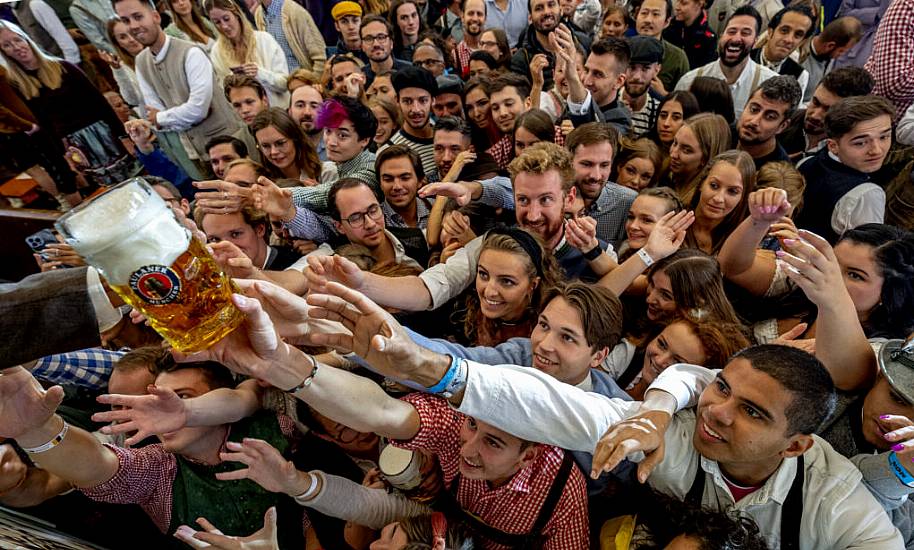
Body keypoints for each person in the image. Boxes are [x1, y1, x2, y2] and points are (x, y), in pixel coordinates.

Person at [0, 361, 309, 548]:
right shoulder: (158, 467)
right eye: (154, 400)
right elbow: (97, 465)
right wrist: (35, 430)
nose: (164, 410)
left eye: (183, 397)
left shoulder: (279, 424)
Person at [306, 142, 613, 312]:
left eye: (545, 200)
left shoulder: (590, 247)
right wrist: (363, 283)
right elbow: (429, 288)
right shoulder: (496, 243)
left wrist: (596, 254)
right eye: (522, 200)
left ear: (569, 197)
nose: (532, 215)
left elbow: (622, 288)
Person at [0, 21, 139, 202]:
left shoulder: (63, 67)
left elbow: (100, 105)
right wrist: (63, 155)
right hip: (73, 145)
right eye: (7, 46)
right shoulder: (19, 85)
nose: (16, 47)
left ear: (26, 39)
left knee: (132, 179)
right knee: (110, 193)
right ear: (4, 53)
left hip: (101, 133)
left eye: (17, 40)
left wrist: (123, 137)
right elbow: (45, 125)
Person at [113, 0, 242, 168]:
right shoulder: (141, 62)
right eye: (125, 20)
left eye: (138, 16)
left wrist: (162, 117)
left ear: (155, 16)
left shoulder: (191, 52)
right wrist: (172, 117)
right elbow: (153, 119)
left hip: (231, 148)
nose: (133, 25)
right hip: (196, 156)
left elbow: (198, 109)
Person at [794, 96, 892, 243]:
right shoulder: (866, 195)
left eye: (884, 137)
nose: (876, 150)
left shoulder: (806, 162)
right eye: (860, 143)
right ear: (833, 146)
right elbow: (863, 253)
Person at [451, 228, 563, 346]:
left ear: (533, 285)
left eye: (506, 281)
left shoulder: (551, 328)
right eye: (483, 274)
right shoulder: (461, 309)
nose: (489, 292)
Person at [675, 6, 778, 118]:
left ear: (755, 41)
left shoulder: (769, 84)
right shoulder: (689, 81)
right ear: (721, 36)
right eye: (731, 32)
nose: (736, 38)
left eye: (745, 33)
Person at [565, 122, 638, 250]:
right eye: (587, 164)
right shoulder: (551, 199)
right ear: (569, 161)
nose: (596, 176)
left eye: (604, 165)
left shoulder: (628, 202)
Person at [206, 0, 289, 108]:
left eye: (226, 19)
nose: (224, 26)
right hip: (249, 120)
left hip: (278, 111)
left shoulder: (264, 40)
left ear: (237, 14)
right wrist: (234, 80)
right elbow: (225, 95)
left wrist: (259, 73)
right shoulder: (217, 52)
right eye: (217, 22)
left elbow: (284, 84)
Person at [778, 66, 874, 160]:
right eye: (815, 102)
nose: (815, 115)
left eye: (829, 110)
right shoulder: (781, 122)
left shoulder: (854, 153)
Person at [683, 149, 755, 255]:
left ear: (743, 197)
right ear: (702, 182)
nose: (718, 198)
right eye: (714, 186)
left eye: (732, 191)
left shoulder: (741, 242)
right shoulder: (672, 220)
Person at [563, 34, 633, 134]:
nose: (587, 81)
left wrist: (573, 80)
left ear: (619, 81)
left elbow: (597, 140)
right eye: (586, 70)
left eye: (598, 74)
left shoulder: (622, 123)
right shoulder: (570, 107)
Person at [195, 206, 300, 270]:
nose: (227, 246)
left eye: (235, 234)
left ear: (260, 229)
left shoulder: (296, 263)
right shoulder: (221, 281)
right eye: (215, 239)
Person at [735, 75, 801, 170]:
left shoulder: (779, 173)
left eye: (770, 117)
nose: (754, 121)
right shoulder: (721, 136)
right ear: (745, 105)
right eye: (754, 109)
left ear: (782, 126)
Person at [385, 65, 438, 178]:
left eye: (423, 100)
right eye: (407, 101)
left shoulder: (448, 138)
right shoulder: (389, 152)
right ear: (397, 101)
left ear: (433, 101)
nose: (416, 109)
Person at [666, 112, 731, 204]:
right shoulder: (665, 176)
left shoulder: (701, 202)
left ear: (706, 159)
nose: (673, 154)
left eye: (686, 150)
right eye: (675, 143)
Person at [749, 5, 814, 98]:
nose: (789, 40)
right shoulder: (745, 57)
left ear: (802, 41)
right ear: (770, 32)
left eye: (798, 35)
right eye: (784, 30)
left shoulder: (799, 75)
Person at [798, 16, 862, 105]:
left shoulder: (828, 58)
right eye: (841, 51)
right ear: (830, 46)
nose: (840, 56)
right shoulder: (799, 58)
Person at [250, 107, 323, 183]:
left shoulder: (325, 173)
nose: (273, 152)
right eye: (265, 146)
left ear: (295, 139)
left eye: (280, 143)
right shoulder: (261, 182)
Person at [253, 0, 326, 75]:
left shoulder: (294, 11)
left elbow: (320, 56)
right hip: (278, 82)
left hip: (303, 80)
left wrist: (314, 81)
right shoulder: (259, 14)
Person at [634, 0, 689, 92]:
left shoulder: (678, 58)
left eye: (655, 14)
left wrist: (663, 94)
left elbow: (683, 100)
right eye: (644, 13)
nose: (648, 20)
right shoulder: (620, 51)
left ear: (667, 22)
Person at [508, 0, 563, 90]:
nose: (546, 12)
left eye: (551, 5)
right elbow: (521, 99)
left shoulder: (578, 44)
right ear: (530, 18)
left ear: (561, 10)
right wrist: (537, 84)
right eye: (539, 8)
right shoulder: (521, 59)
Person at [12, 0, 80, 65]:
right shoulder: (15, 10)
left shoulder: (35, 4)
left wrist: (71, 65)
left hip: (66, 62)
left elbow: (65, 41)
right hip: (52, 64)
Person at [222, 73, 269, 161]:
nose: (244, 110)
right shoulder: (236, 143)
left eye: (249, 102)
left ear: (264, 100)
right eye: (237, 105)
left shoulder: (287, 126)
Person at [623, 36, 664, 136]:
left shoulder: (660, 113)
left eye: (645, 68)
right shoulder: (607, 103)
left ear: (657, 70)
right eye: (631, 67)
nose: (637, 76)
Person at [664, 0, 717, 69]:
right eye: (677, 1)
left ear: (700, 4)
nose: (677, 7)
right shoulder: (667, 27)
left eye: (684, 3)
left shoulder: (708, 38)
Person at [360, 15, 411, 83]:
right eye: (369, 39)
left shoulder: (410, 72)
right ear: (362, 46)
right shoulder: (360, 78)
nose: (376, 44)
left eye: (381, 37)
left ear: (391, 43)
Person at [287, 80, 326, 160]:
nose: (307, 112)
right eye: (300, 105)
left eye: (314, 106)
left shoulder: (338, 144)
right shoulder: (282, 149)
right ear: (290, 112)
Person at [454, 0, 486, 78]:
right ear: (462, 16)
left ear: (485, 18)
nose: (475, 18)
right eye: (470, 13)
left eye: (479, 14)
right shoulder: (455, 55)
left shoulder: (492, 49)